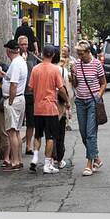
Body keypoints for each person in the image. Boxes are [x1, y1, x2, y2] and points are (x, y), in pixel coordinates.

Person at [28, 45, 68, 174]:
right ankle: (47, 164)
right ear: (52, 55)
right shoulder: (55, 70)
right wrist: (67, 100)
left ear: (42, 54)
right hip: (50, 107)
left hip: (38, 107)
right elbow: (61, 88)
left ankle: (34, 158)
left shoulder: (35, 69)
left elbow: (30, 87)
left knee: (38, 134)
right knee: (50, 136)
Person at [71, 40, 107, 177]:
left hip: (93, 101)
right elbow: (75, 84)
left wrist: (99, 95)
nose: (79, 56)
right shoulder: (77, 64)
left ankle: (89, 163)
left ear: (88, 52)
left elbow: (103, 83)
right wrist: (73, 74)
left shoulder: (97, 64)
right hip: (80, 101)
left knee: (90, 133)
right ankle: (96, 157)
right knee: (83, 133)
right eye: (78, 54)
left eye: (81, 53)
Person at [0, 40, 28, 171]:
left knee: (11, 131)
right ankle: (19, 160)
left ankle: (15, 161)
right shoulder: (20, 61)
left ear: (9, 51)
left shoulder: (16, 64)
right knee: (16, 131)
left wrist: (10, 100)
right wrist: (4, 75)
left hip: (14, 99)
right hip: (19, 98)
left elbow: (14, 84)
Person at [18, 35, 41, 156]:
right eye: (22, 44)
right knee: (18, 122)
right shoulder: (15, 58)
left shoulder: (33, 57)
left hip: (31, 93)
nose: (24, 46)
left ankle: (28, 146)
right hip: (19, 93)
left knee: (31, 122)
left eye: (26, 44)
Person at [51, 49, 71, 169]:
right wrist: (68, 103)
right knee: (59, 133)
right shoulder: (62, 71)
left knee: (49, 134)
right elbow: (65, 89)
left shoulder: (40, 69)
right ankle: (59, 159)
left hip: (45, 105)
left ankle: (50, 158)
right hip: (59, 105)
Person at [58, 45, 75, 130]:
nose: (63, 52)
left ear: (69, 52)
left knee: (69, 103)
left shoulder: (72, 61)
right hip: (61, 84)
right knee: (62, 103)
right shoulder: (59, 60)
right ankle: (62, 121)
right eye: (62, 50)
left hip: (69, 84)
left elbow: (75, 74)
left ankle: (68, 122)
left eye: (65, 51)